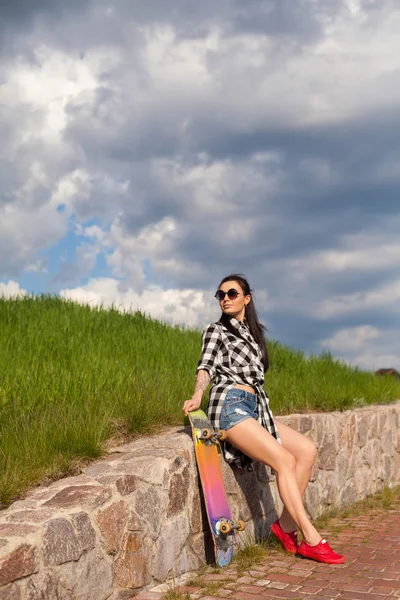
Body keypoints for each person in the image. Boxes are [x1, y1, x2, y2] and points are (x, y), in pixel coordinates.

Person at [183, 274, 344, 564]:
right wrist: (197, 395)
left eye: (232, 293)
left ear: (246, 298)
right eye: (220, 295)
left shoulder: (253, 335)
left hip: (255, 407)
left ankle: (284, 528)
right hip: (229, 405)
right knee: (285, 461)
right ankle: (311, 537)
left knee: (306, 450)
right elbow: (205, 365)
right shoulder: (216, 330)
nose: (225, 298)